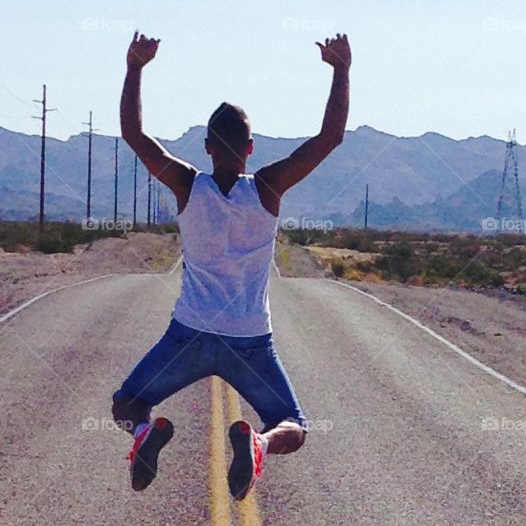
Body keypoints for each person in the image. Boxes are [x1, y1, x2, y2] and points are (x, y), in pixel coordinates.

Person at [112, 29, 351, 499]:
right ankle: (259, 443)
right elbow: (330, 138)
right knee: (293, 426)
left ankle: (144, 433)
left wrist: (135, 68)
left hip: (189, 335)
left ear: (206, 146)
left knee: (128, 403)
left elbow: (135, 136)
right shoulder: (268, 187)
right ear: (250, 147)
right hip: (250, 342)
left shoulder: (186, 185)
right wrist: (341, 71)